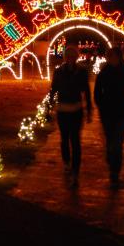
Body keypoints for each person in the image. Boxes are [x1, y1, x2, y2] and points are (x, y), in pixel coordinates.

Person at [50, 46, 92, 187]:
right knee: (64, 139)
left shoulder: (81, 72)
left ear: (76, 57)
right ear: (65, 57)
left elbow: (86, 90)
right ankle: (67, 162)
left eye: (73, 56)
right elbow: (53, 88)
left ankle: (75, 169)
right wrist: (50, 106)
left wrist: (89, 109)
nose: (70, 58)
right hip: (62, 110)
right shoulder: (59, 72)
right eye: (68, 56)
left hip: (76, 109)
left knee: (75, 140)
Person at [94, 47, 124, 188]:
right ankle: (111, 162)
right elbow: (97, 90)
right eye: (108, 57)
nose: (110, 59)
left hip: (122, 112)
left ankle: (115, 171)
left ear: (118, 57)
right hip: (107, 112)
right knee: (110, 140)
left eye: (112, 56)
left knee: (117, 142)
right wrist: (101, 104)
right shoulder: (104, 72)